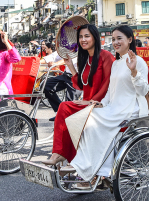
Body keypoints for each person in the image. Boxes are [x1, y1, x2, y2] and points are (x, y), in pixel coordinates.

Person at [63, 25, 149, 185]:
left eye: (119, 39)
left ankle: (88, 170)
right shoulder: (116, 63)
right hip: (114, 108)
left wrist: (134, 71)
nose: (115, 42)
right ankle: (90, 169)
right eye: (114, 39)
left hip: (131, 108)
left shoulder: (139, 62)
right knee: (86, 117)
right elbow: (110, 91)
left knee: (93, 122)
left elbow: (144, 90)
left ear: (130, 40)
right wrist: (99, 104)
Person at [43, 24, 115, 166]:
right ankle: (60, 153)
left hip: (100, 105)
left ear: (95, 37)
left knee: (64, 107)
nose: (83, 39)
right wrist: (70, 66)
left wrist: (92, 101)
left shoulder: (106, 56)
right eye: (81, 37)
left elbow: (108, 84)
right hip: (88, 102)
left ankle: (62, 154)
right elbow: (82, 85)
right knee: (63, 110)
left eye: (86, 36)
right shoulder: (85, 58)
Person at [41, 42, 76, 121]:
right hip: (66, 75)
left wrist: (55, 64)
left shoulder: (80, 48)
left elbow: (69, 60)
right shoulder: (66, 48)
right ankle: (60, 111)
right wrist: (35, 62)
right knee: (46, 86)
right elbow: (52, 56)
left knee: (70, 102)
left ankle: (68, 119)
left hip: (76, 77)